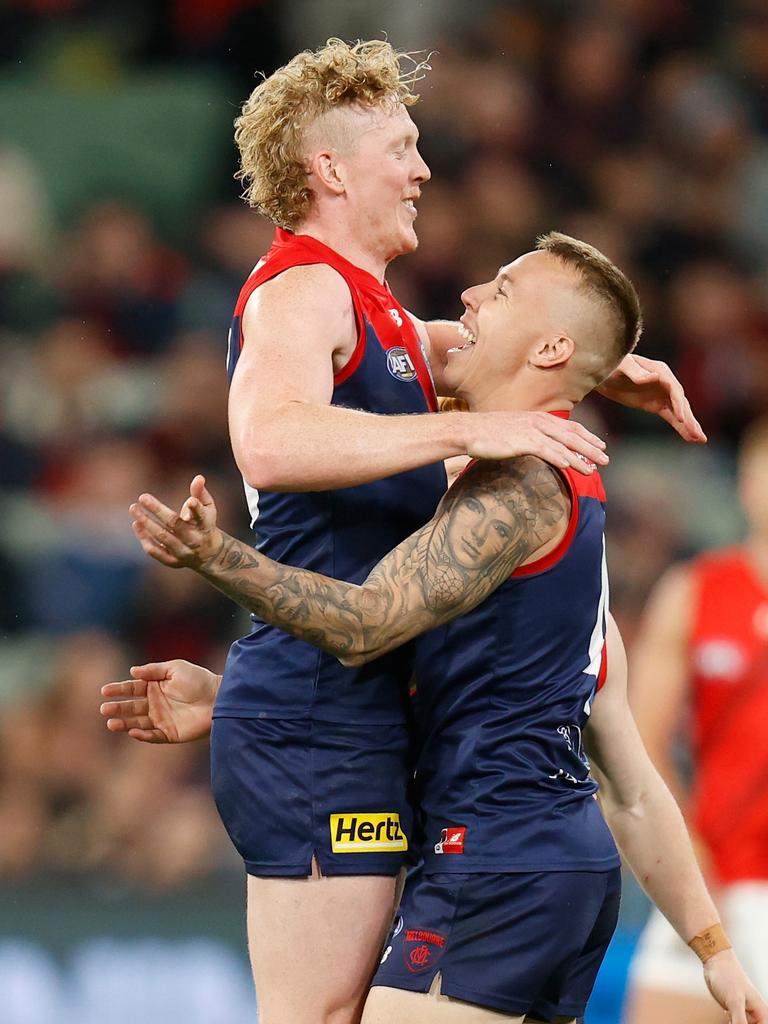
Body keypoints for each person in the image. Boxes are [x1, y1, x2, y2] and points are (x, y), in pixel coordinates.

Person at [104, 36, 701, 1024]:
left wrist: (608, 365)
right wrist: (478, 424)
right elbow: (270, 440)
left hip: (347, 708)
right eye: (403, 147)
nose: (425, 168)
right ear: (330, 169)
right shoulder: (303, 288)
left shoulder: (375, 309)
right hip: (313, 716)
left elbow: (472, 350)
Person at [623, 416, 768, 1024]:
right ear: (745, 482)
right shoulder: (695, 591)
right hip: (719, 877)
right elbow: (639, 745)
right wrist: (691, 865)